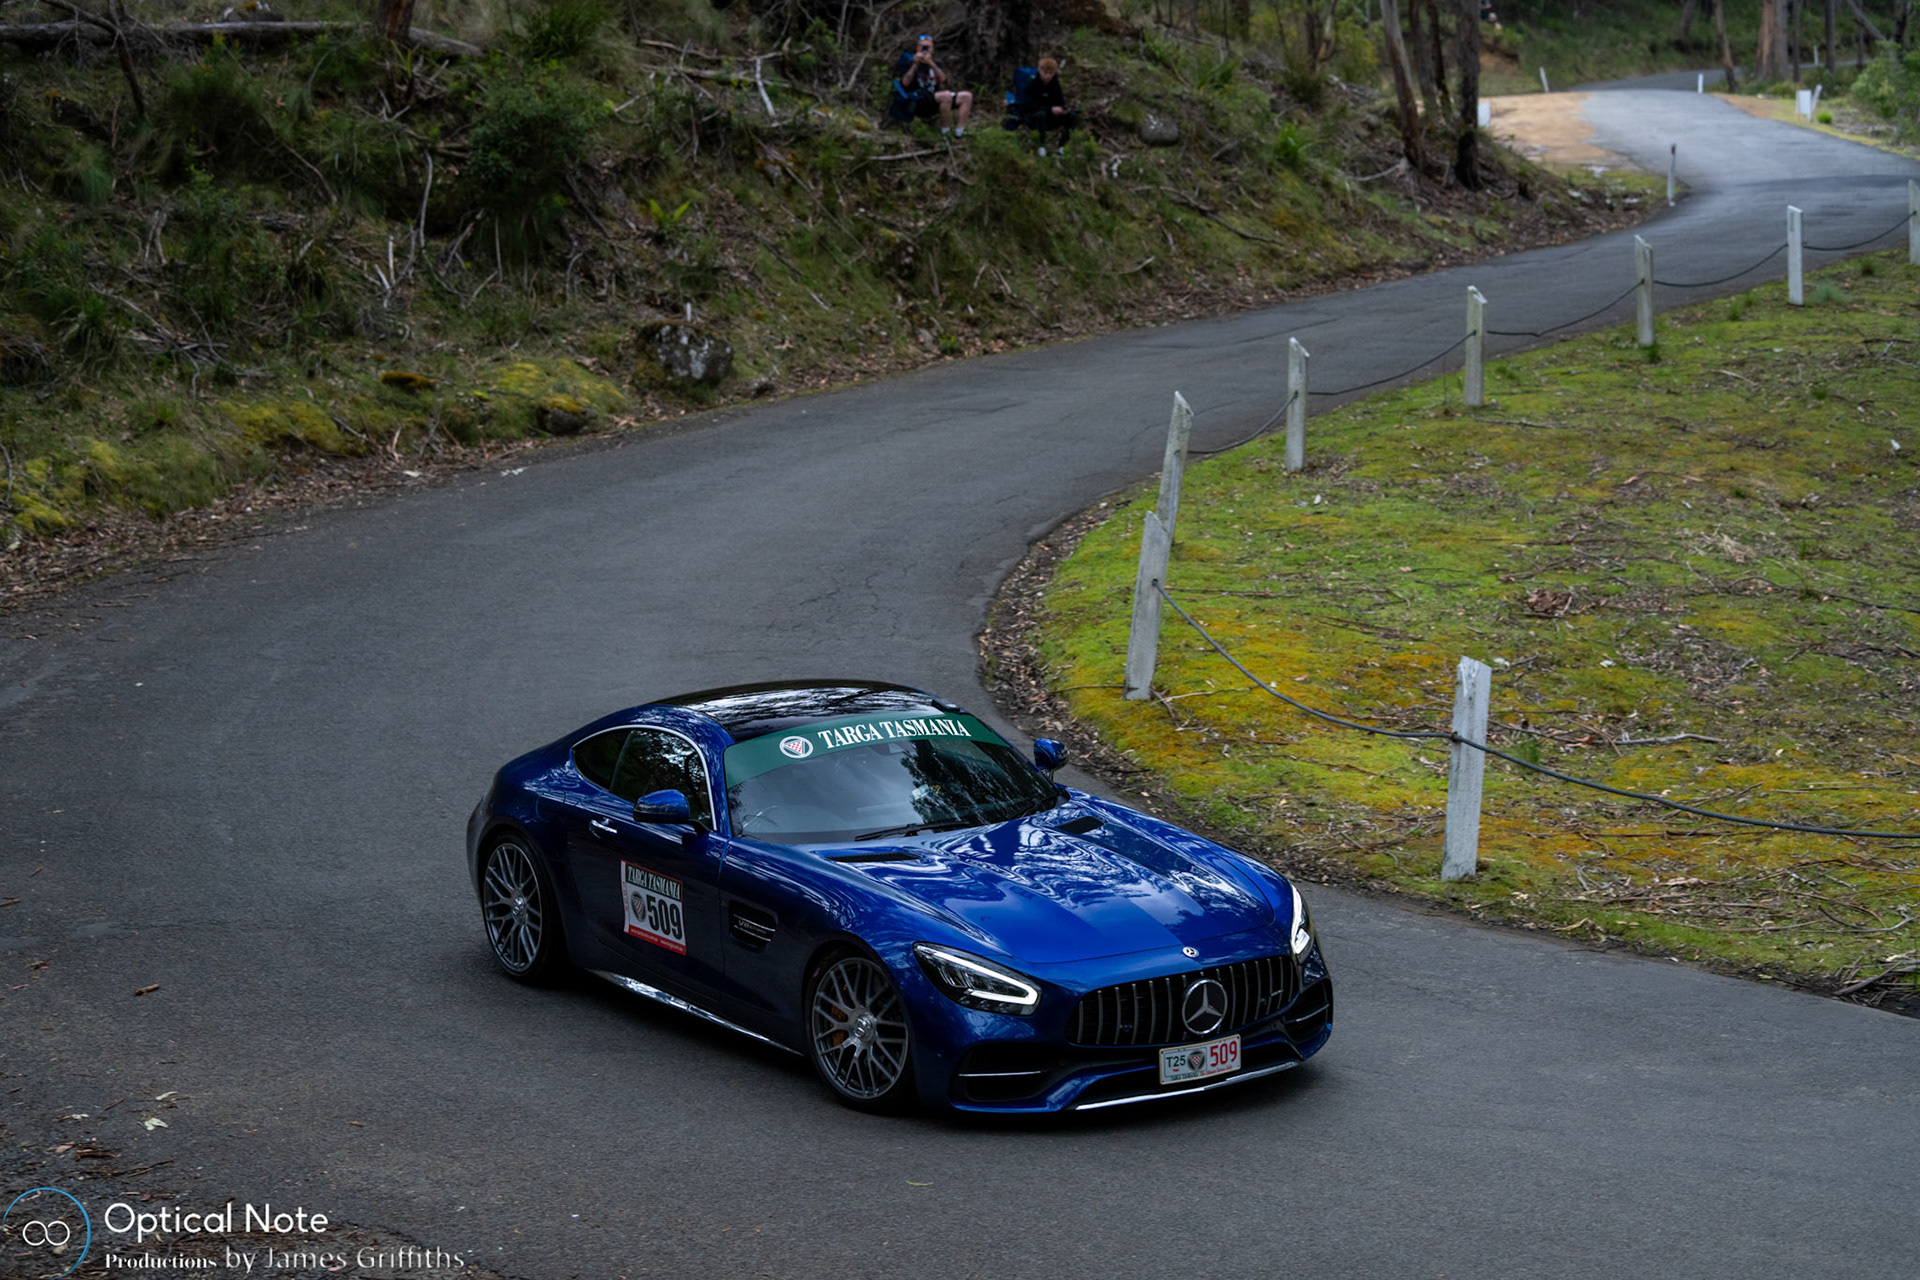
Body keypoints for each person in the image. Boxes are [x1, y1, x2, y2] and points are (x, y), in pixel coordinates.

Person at [896, 34, 973, 136]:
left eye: (928, 47)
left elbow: (942, 79)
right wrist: (915, 64)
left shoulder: (936, 62)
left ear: (932, 50)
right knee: (945, 96)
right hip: (917, 98)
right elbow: (905, 83)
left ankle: (960, 132)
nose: (925, 49)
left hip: (934, 96)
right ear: (917, 48)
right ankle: (946, 132)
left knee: (966, 96)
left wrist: (931, 64)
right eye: (922, 46)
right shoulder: (909, 61)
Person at [1022, 57, 1079, 155]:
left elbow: (1060, 101)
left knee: (1072, 116)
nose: (1048, 76)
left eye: (1051, 74)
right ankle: (1041, 146)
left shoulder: (1055, 85)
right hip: (1035, 117)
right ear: (1040, 71)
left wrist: (1063, 109)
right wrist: (1050, 109)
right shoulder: (1032, 85)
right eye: (1045, 73)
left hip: (1052, 117)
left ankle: (1062, 147)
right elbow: (1029, 106)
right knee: (1041, 115)